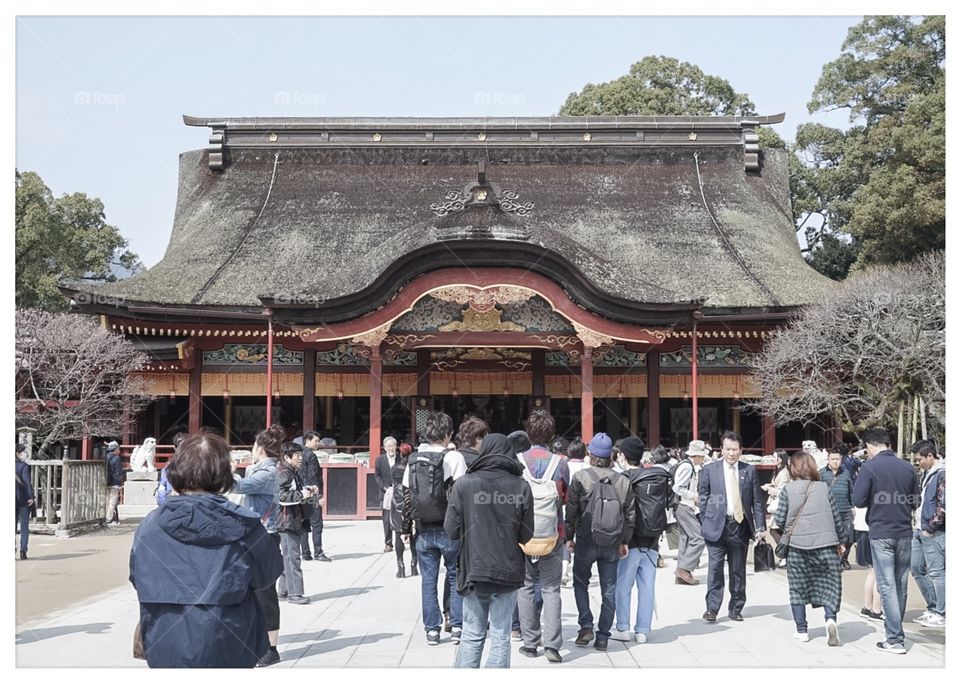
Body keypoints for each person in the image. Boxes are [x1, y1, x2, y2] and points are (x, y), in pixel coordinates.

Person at [129, 432, 284, 668]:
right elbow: (268, 573)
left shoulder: (150, 525)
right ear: (223, 473)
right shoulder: (246, 524)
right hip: (230, 636)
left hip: (166, 637)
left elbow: (137, 576)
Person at [446, 433, 534, 668]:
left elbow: (451, 530)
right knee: (500, 637)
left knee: (472, 635)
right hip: (508, 570)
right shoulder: (521, 486)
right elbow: (527, 535)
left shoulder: (464, 483)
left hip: (474, 569)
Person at [400, 411, 467, 646]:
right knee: (454, 576)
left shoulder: (414, 459)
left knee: (428, 580)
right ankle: (457, 625)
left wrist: (404, 527)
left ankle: (432, 630)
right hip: (450, 528)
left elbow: (406, 495)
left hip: (424, 529)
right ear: (448, 434)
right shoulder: (455, 457)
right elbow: (461, 494)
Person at [852, 427, 920, 655]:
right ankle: (895, 633)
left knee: (888, 586)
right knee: (900, 584)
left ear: (870, 445)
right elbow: (915, 501)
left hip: (881, 531)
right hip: (904, 531)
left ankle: (894, 637)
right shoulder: (908, 467)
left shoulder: (869, 467)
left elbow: (859, 500)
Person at [564, 432, 635, 651]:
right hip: (612, 542)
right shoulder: (623, 481)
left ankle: (586, 625)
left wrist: (569, 537)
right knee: (609, 589)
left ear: (590, 453)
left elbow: (572, 510)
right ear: (612, 455)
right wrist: (624, 541)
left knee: (580, 583)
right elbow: (630, 514)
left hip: (586, 539)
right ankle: (603, 635)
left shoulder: (581, 477)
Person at [773, 452, 846, 645]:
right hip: (826, 545)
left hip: (798, 547)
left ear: (793, 468)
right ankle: (830, 619)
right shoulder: (824, 487)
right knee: (830, 584)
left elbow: (779, 520)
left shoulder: (788, 490)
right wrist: (842, 541)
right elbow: (836, 517)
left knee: (797, 588)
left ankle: (802, 630)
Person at [517, 410, 569, 663]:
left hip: (523, 535)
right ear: (551, 434)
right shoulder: (560, 463)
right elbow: (565, 496)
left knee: (526, 586)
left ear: (528, 433)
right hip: (553, 533)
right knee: (551, 588)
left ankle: (530, 643)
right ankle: (552, 645)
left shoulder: (517, 461)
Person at [698, 430, 766, 623]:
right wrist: (704, 518)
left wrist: (760, 527)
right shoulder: (710, 470)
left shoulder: (749, 470)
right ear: (722, 449)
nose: (731, 453)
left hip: (739, 526)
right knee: (715, 569)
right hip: (716, 526)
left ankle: (736, 607)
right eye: (728, 449)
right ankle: (712, 608)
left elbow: (757, 502)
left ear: (741, 450)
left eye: (735, 449)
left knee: (737, 569)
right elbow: (703, 496)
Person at [231, 423, 284, 667]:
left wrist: (229, 471)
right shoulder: (261, 469)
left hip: (264, 537)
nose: (251, 450)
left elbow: (237, 486)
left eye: (253, 446)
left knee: (265, 593)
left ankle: (271, 648)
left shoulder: (268, 472)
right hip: (254, 535)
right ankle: (257, 640)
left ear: (260, 448)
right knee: (250, 591)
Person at [613, 436, 669, 644]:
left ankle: (623, 627)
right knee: (647, 585)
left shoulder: (624, 478)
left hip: (631, 541)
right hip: (653, 539)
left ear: (623, 456)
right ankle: (643, 630)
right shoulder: (656, 476)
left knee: (623, 585)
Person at [909, 440, 945, 627]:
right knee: (916, 568)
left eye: (919, 459)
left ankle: (942, 611)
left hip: (933, 531)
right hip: (919, 528)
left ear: (930, 456)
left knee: (937, 572)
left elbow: (943, 505)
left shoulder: (943, 474)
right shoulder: (928, 474)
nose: (918, 463)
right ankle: (933, 606)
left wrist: (931, 527)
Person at [277, 442, 316, 605]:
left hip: (293, 519)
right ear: (287, 457)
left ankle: (284, 591)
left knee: (289, 556)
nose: (300, 458)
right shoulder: (285, 472)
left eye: (301, 455)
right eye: (297, 456)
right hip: (286, 521)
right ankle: (295, 593)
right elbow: (281, 496)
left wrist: (308, 490)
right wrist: (302, 494)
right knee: (293, 557)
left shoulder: (293, 471)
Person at [673, 440, 708, 585]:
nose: (704, 458)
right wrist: (693, 495)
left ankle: (682, 574)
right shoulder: (687, 467)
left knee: (685, 539)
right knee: (699, 538)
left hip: (682, 507)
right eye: (702, 455)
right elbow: (677, 488)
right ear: (697, 455)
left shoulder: (688, 465)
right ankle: (684, 569)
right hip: (685, 506)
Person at [821, 448, 855, 570]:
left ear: (841, 460)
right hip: (828, 511)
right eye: (833, 459)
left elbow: (851, 491)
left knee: (849, 536)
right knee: (832, 537)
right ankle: (834, 560)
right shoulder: (821, 473)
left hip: (845, 509)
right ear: (828, 460)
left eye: (837, 459)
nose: (835, 461)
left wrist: (853, 506)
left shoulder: (846, 473)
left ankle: (843, 558)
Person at [562, 438, 588, 586]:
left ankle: (564, 569)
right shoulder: (588, 466)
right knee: (581, 540)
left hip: (567, 506)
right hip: (585, 509)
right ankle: (580, 572)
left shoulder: (564, 466)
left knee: (567, 538)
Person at [299, 431, 329, 562]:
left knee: (304, 523)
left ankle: (305, 552)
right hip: (312, 493)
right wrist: (318, 495)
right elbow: (313, 476)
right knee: (317, 523)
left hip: (301, 492)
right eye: (315, 441)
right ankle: (318, 551)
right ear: (308, 441)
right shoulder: (311, 456)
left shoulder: (299, 454)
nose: (318, 443)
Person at [390, 443, 418, 578]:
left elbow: (393, 482)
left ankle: (400, 567)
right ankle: (414, 565)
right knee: (413, 533)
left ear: (400, 453)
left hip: (397, 501)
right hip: (411, 499)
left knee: (398, 534)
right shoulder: (413, 468)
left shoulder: (395, 468)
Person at [854, 504, 884, 621]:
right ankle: (876, 610)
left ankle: (867, 607)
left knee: (873, 571)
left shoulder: (859, 485)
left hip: (861, 528)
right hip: (875, 528)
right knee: (879, 572)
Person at [375, 435, 399, 553]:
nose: (391, 448)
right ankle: (388, 543)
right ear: (384, 448)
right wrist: (386, 488)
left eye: (393, 446)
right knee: (386, 519)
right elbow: (377, 476)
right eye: (388, 446)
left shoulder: (401, 459)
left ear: (396, 447)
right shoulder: (379, 460)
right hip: (385, 494)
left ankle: (400, 541)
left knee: (400, 517)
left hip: (399, 492)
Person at [15, 444, 34, 560]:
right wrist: (31, 497)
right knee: (24, 528)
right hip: (23, 500)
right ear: (17, 453)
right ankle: (23, 551)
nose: (24, 453)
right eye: (23, 451)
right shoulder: (24, 466)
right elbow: (27, 483)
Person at [105, 441, 123, 525]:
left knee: (106, 500)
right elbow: (118, 472)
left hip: (105, 481)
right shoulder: (117, 458)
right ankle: (109, 518)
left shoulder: (105, 457)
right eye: (118, 448)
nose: (119, 450)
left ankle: (105, 516)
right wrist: (120, 483)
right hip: (114, 482)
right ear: (115, 449)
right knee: (112, 501)